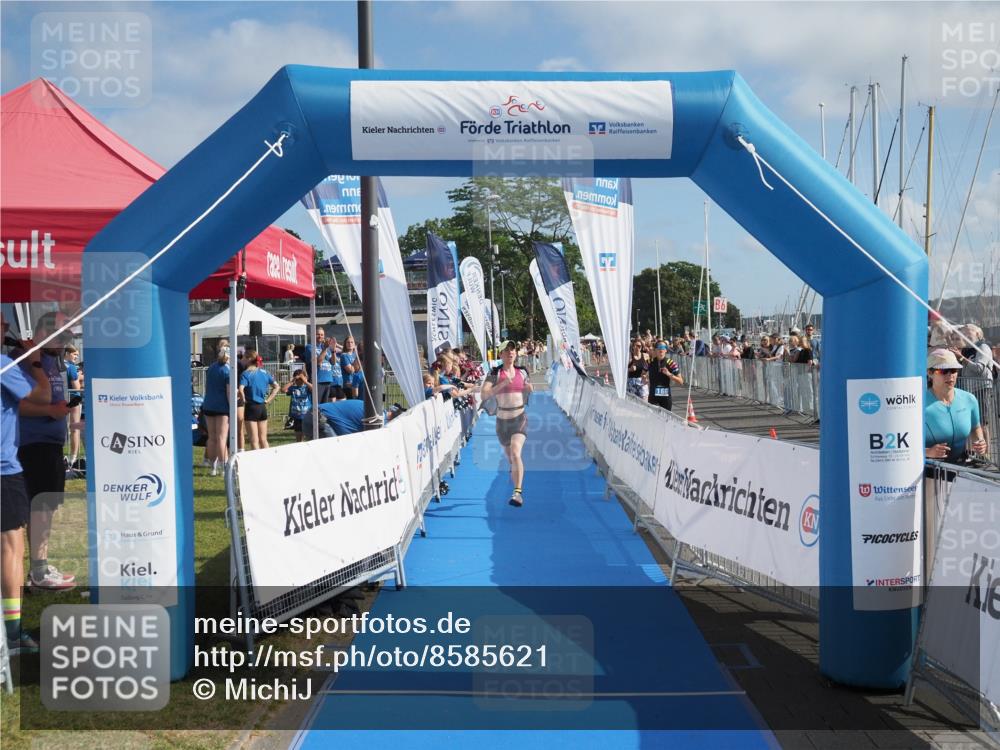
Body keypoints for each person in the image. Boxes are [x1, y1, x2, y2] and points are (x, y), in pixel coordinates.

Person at [13, 312, 74, 591]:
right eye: (61, 336)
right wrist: (50, 410)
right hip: (32, 445)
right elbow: (17, 403)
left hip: (49, 444)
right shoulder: (25, 357)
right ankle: (38, 571)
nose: (65, 343)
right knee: (39, 508)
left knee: (46, 508)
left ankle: (41, 566)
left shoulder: (48, 359)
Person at [2, 316, 52, 653]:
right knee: (11, 551)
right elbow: (42, 395)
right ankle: (13, 633)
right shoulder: (5, 365)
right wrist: (34, 361)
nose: (7, 328)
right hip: (3, 471)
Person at [480, 341, 533, 507]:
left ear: (516, 354)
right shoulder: (494, 373)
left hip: (519, 418)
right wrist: (503, 383)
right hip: (502, 422)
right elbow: (484, 395)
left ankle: (517, 493)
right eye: (507, 350)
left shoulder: (522, 371)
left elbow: (526, 390)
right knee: (511, 459)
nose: (511, 352)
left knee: (516, 453)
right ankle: (515, 475)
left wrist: (529, 389)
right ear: (501, 355)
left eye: (513, 350)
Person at [924, 349, 988, 462]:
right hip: (929, 471)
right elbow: (905, 442)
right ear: (930, 373)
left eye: (953, 370)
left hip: (960, 467)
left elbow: (975, 427)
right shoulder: (918, 403)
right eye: (943, 371)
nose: (950, 375)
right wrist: (928, 451)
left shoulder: (969, 399)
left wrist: (980, 442)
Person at [238, 350, 279, 450]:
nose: (242, 360)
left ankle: (257, 463)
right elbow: (277, 386)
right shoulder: (264, 372)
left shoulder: (246, 374)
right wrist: (269, 399)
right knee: (263, 439)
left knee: (254, 440)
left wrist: (243, 398)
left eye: (243, 358)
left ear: (248, 359)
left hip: (251, 407)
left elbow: (241, 388)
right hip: (262, 407)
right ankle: (268, 461)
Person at [201, 350, 231, 475]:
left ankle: (213, 467)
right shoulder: (228, 370)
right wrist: (232, 408)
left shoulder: (211, 368)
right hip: (222, 407)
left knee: (212, 437)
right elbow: (229, 392)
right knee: (221, 437)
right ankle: (224, 466)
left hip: (208, 404)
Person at [304, 327, 339, 404]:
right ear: (313, 335)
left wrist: (333, 351)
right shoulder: (310, 347)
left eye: (322, 334)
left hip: (328, 379)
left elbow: (333, 362)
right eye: (318, 334)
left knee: (325, 405)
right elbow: (318, 362)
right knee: (317, 405)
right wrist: (325, 348)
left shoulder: (326, 347)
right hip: (317, 380)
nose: (320, 336)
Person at [647, 342, 683, 412]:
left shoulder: (671, 363)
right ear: (655, 350)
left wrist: (669, 374)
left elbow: (681, 381)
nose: (661, 350)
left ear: (666, 350)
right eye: (659, 348)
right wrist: (644, 378)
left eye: (663, 348)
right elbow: (643, 374)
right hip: (653, 397)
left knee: (666, 421)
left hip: (666, 398)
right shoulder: (649, 362)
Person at [63, 345, 83, 470]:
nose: (76, 357)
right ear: (67, 353)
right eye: (74, 354)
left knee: (64, 429)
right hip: (74, 399)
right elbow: (76, 388)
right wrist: (80, 378)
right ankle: (73, 458)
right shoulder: (71, 367)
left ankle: (65, 458)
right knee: (75, 429)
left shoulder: (59, 365)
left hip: (61, 399)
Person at [282, 369, 312, 443]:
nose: (299, 381)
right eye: (298, 379)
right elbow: (283, 389)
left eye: (301, 379)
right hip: (297, 416)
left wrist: (305, 381)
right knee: (299, 437)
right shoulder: (293, 388)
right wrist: (293, 381)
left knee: (310, 436)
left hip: (307, 415)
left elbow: (314, 388)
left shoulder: (307, 387)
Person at [340, 336, 361, 400]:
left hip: (357, 384)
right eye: (348, 342)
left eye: (352, 342)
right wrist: (357, 362)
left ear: (354, 344)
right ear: (345, 344)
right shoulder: (344, 355)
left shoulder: (355, 355)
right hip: (349, 385)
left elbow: (360, 368)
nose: (350, 344)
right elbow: (351, 370)